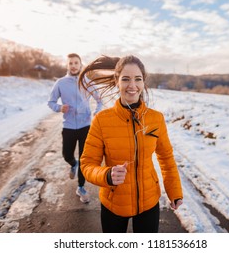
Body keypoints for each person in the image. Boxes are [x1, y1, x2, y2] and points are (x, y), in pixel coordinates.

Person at [78, 55, 183, 232]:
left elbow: (166, 158)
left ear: (143, 82)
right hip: (114, 204)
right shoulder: (102, 121)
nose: (132, 85)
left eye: (138, 79)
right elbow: (87, 164)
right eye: (125, 79)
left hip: (149, 202)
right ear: (117, 81)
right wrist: (107, 175)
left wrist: (174, 191)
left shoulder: (156, 119)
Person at [48, 53, 103, 203]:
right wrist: (60, 108)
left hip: (86, 126)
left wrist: (96, 113)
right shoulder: (60, 83)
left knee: (84, 159)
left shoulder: (87, 82)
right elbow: (51, 102)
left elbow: (100, 101)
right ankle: (73, 164)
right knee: (67, 154)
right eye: (70, 63)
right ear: (67, 65)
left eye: (76, 63)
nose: (73, 65)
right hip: (69, 126)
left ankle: (81, 187)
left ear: (80, 65)